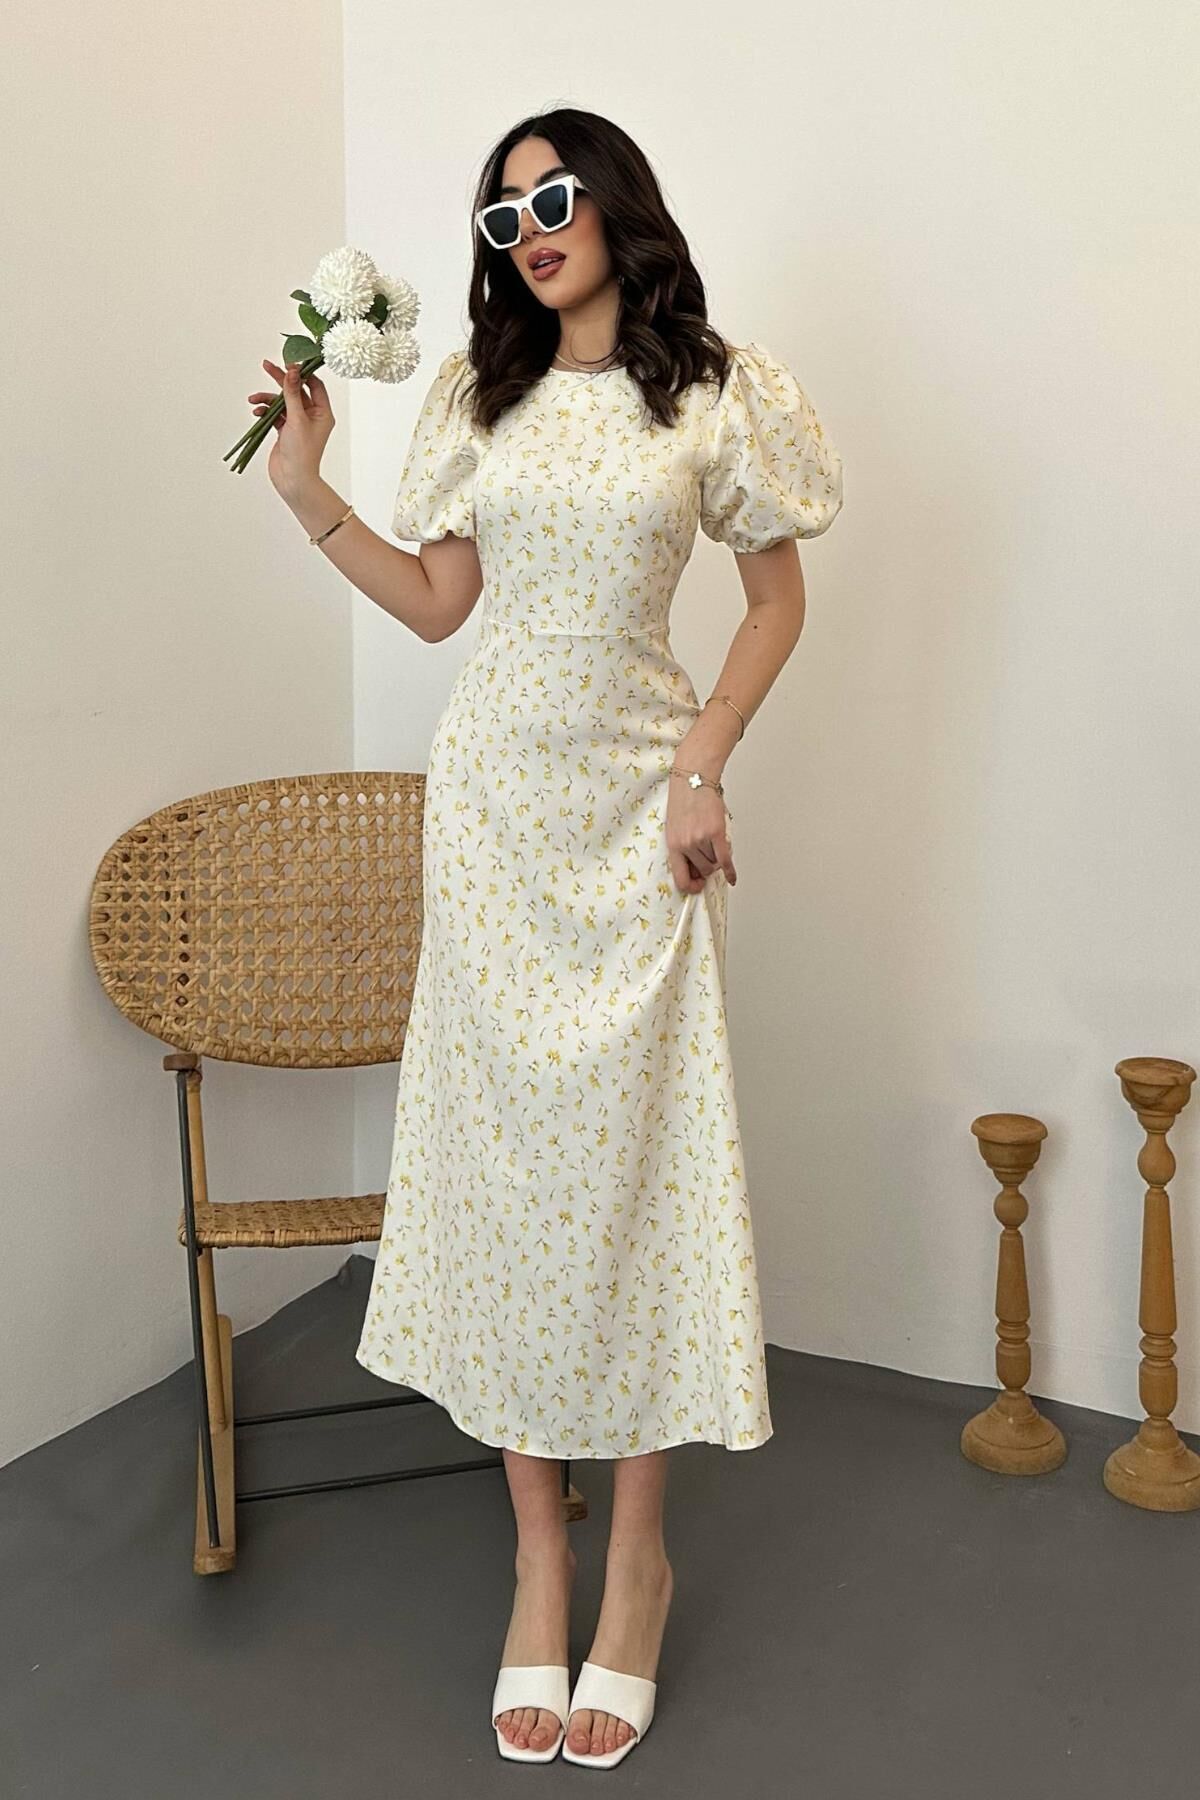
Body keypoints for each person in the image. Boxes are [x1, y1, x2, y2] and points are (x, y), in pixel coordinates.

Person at [247, 104, 843, 1771]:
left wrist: (702, 767)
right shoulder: (475, 394)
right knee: (511, 1177)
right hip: (496, 824)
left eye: (554, 196)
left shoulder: (714, 391)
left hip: (640, 816)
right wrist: (304, 489)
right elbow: (445, 607)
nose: (529, 230)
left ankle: (636, 1561)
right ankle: (540, 1556)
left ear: (616, 203)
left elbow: (777, 602)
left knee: (636, 1172)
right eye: (503, 215)